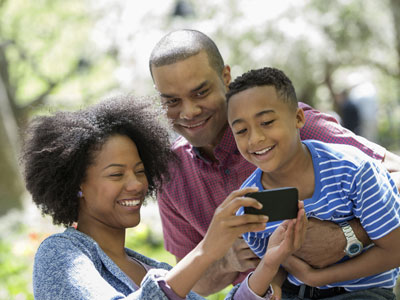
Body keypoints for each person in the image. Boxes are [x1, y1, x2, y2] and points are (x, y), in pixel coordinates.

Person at [148, 29, 400, 296]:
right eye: (172, 101)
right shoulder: (171, 174)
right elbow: (191, 283)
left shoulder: (292, 127)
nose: (188, 111)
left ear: (225, 78)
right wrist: (226, 261)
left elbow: (393, 175)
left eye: (200, 92)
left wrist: (349, 235)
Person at [21, 95, 308, 300]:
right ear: (75, 184)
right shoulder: (59, 255)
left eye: (140, 171)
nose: (135, 184)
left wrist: (268, 263)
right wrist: (206, 250)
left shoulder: (155, 269)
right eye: (116, 174)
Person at [227, 66, 400, 299]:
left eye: (267, 122)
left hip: (363, 292)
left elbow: (394, 250)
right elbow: (273, 263)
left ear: (298, 118)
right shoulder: (252, 201)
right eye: (241, 130)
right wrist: (274, 285)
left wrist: (318, 278)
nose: (255, 138)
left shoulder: (351, 170)